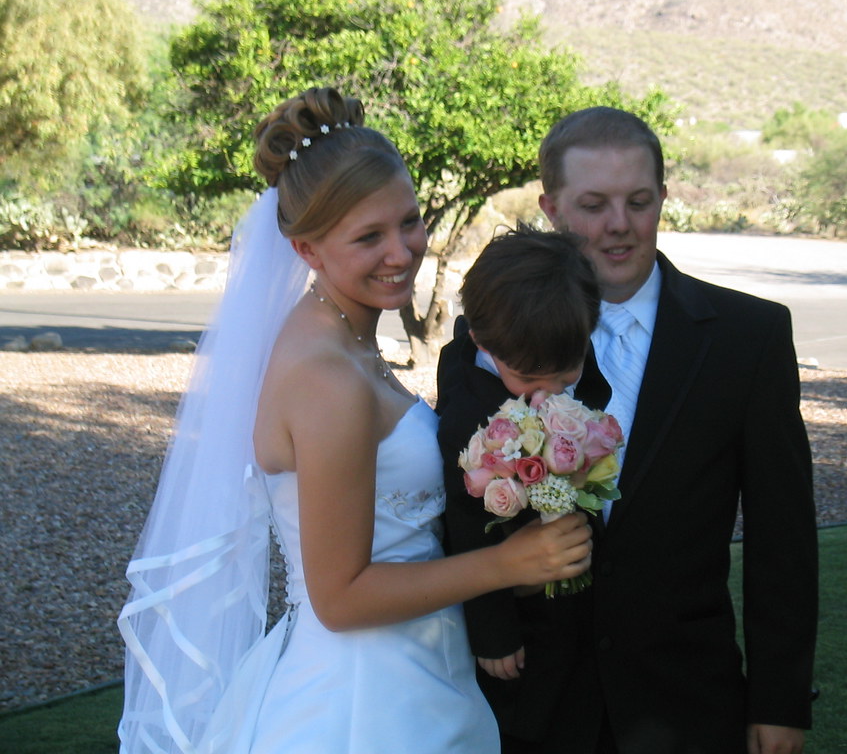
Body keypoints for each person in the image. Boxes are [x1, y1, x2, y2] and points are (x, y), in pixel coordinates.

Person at [116, 88, 592, 754]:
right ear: (307, 249)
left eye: (409, 222)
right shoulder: (327, 378)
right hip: (362, 701)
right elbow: (340, 598)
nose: (401, 252)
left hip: (413, 671)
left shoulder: (346, 339)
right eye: (369, 237)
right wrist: (508, 563)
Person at [527, 107, 820, 754]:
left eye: (638, 201)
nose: (620, 224)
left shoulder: (750, 339)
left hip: (687, 703)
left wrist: (780, 699)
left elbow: (783, 537)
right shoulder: (492, 340)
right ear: (551, 208)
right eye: (593, 205)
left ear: (663, 197)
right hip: (535, 708)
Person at [435, 226, 612, 750]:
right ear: (482, 343)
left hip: (579, 598)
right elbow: (464, 524)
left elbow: (587, 390)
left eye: (566, 373)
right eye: (531, 380)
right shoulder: (468, 415)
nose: (550, 393)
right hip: (518, 613)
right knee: (533, 712)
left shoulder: (554, 340)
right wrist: (493, 632)